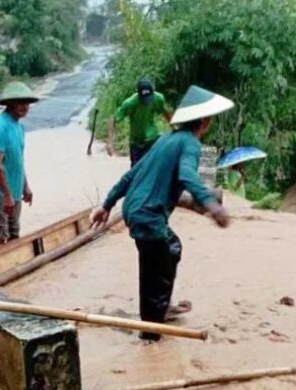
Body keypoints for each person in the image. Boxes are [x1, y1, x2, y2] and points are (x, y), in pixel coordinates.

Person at [91, 85, 234, 341]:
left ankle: (160, 308)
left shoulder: (165, 139)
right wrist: (211, 204)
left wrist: (107, 205)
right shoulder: (189, 142)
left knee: (172, 247)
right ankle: (151, 335)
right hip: (149, 216)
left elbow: (131, 175)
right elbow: (187, 175)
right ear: (204, 121)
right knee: (153, 272)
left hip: (136, 210)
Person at [0, 81, 39, 248]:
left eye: (26, 102)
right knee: (0, 236)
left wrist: (25, 186)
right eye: (19, 102)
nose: (24, 106)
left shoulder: (19, 128)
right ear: (9, 104)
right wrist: (6, 196)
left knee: (14, 234)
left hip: (14, 190)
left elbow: (18, 160)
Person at [107, 78, 173, 166]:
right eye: (144, 99)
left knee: (154, 168)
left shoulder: (158, 98)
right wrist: (110, 142)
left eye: (149, 98)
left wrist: (175, 128)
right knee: (136, 172)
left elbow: (166, 113)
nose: (147, 102)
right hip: (136, 142)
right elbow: (113, 119)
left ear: (153, 91)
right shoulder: (130, 103)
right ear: (138, 94)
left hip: (151, 139)